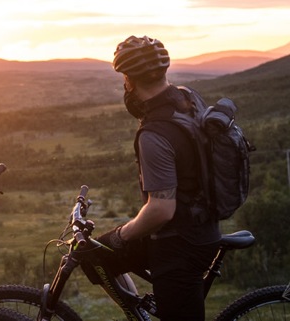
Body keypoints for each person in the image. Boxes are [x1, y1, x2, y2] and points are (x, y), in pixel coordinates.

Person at [96, 35, 221, 320]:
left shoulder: (154, 134)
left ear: (128, 80)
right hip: (203, 228)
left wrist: (120, 235)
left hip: (179, 246)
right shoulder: (189, 100)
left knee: (105, 248)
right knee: (97, 257)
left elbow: (162, 209)